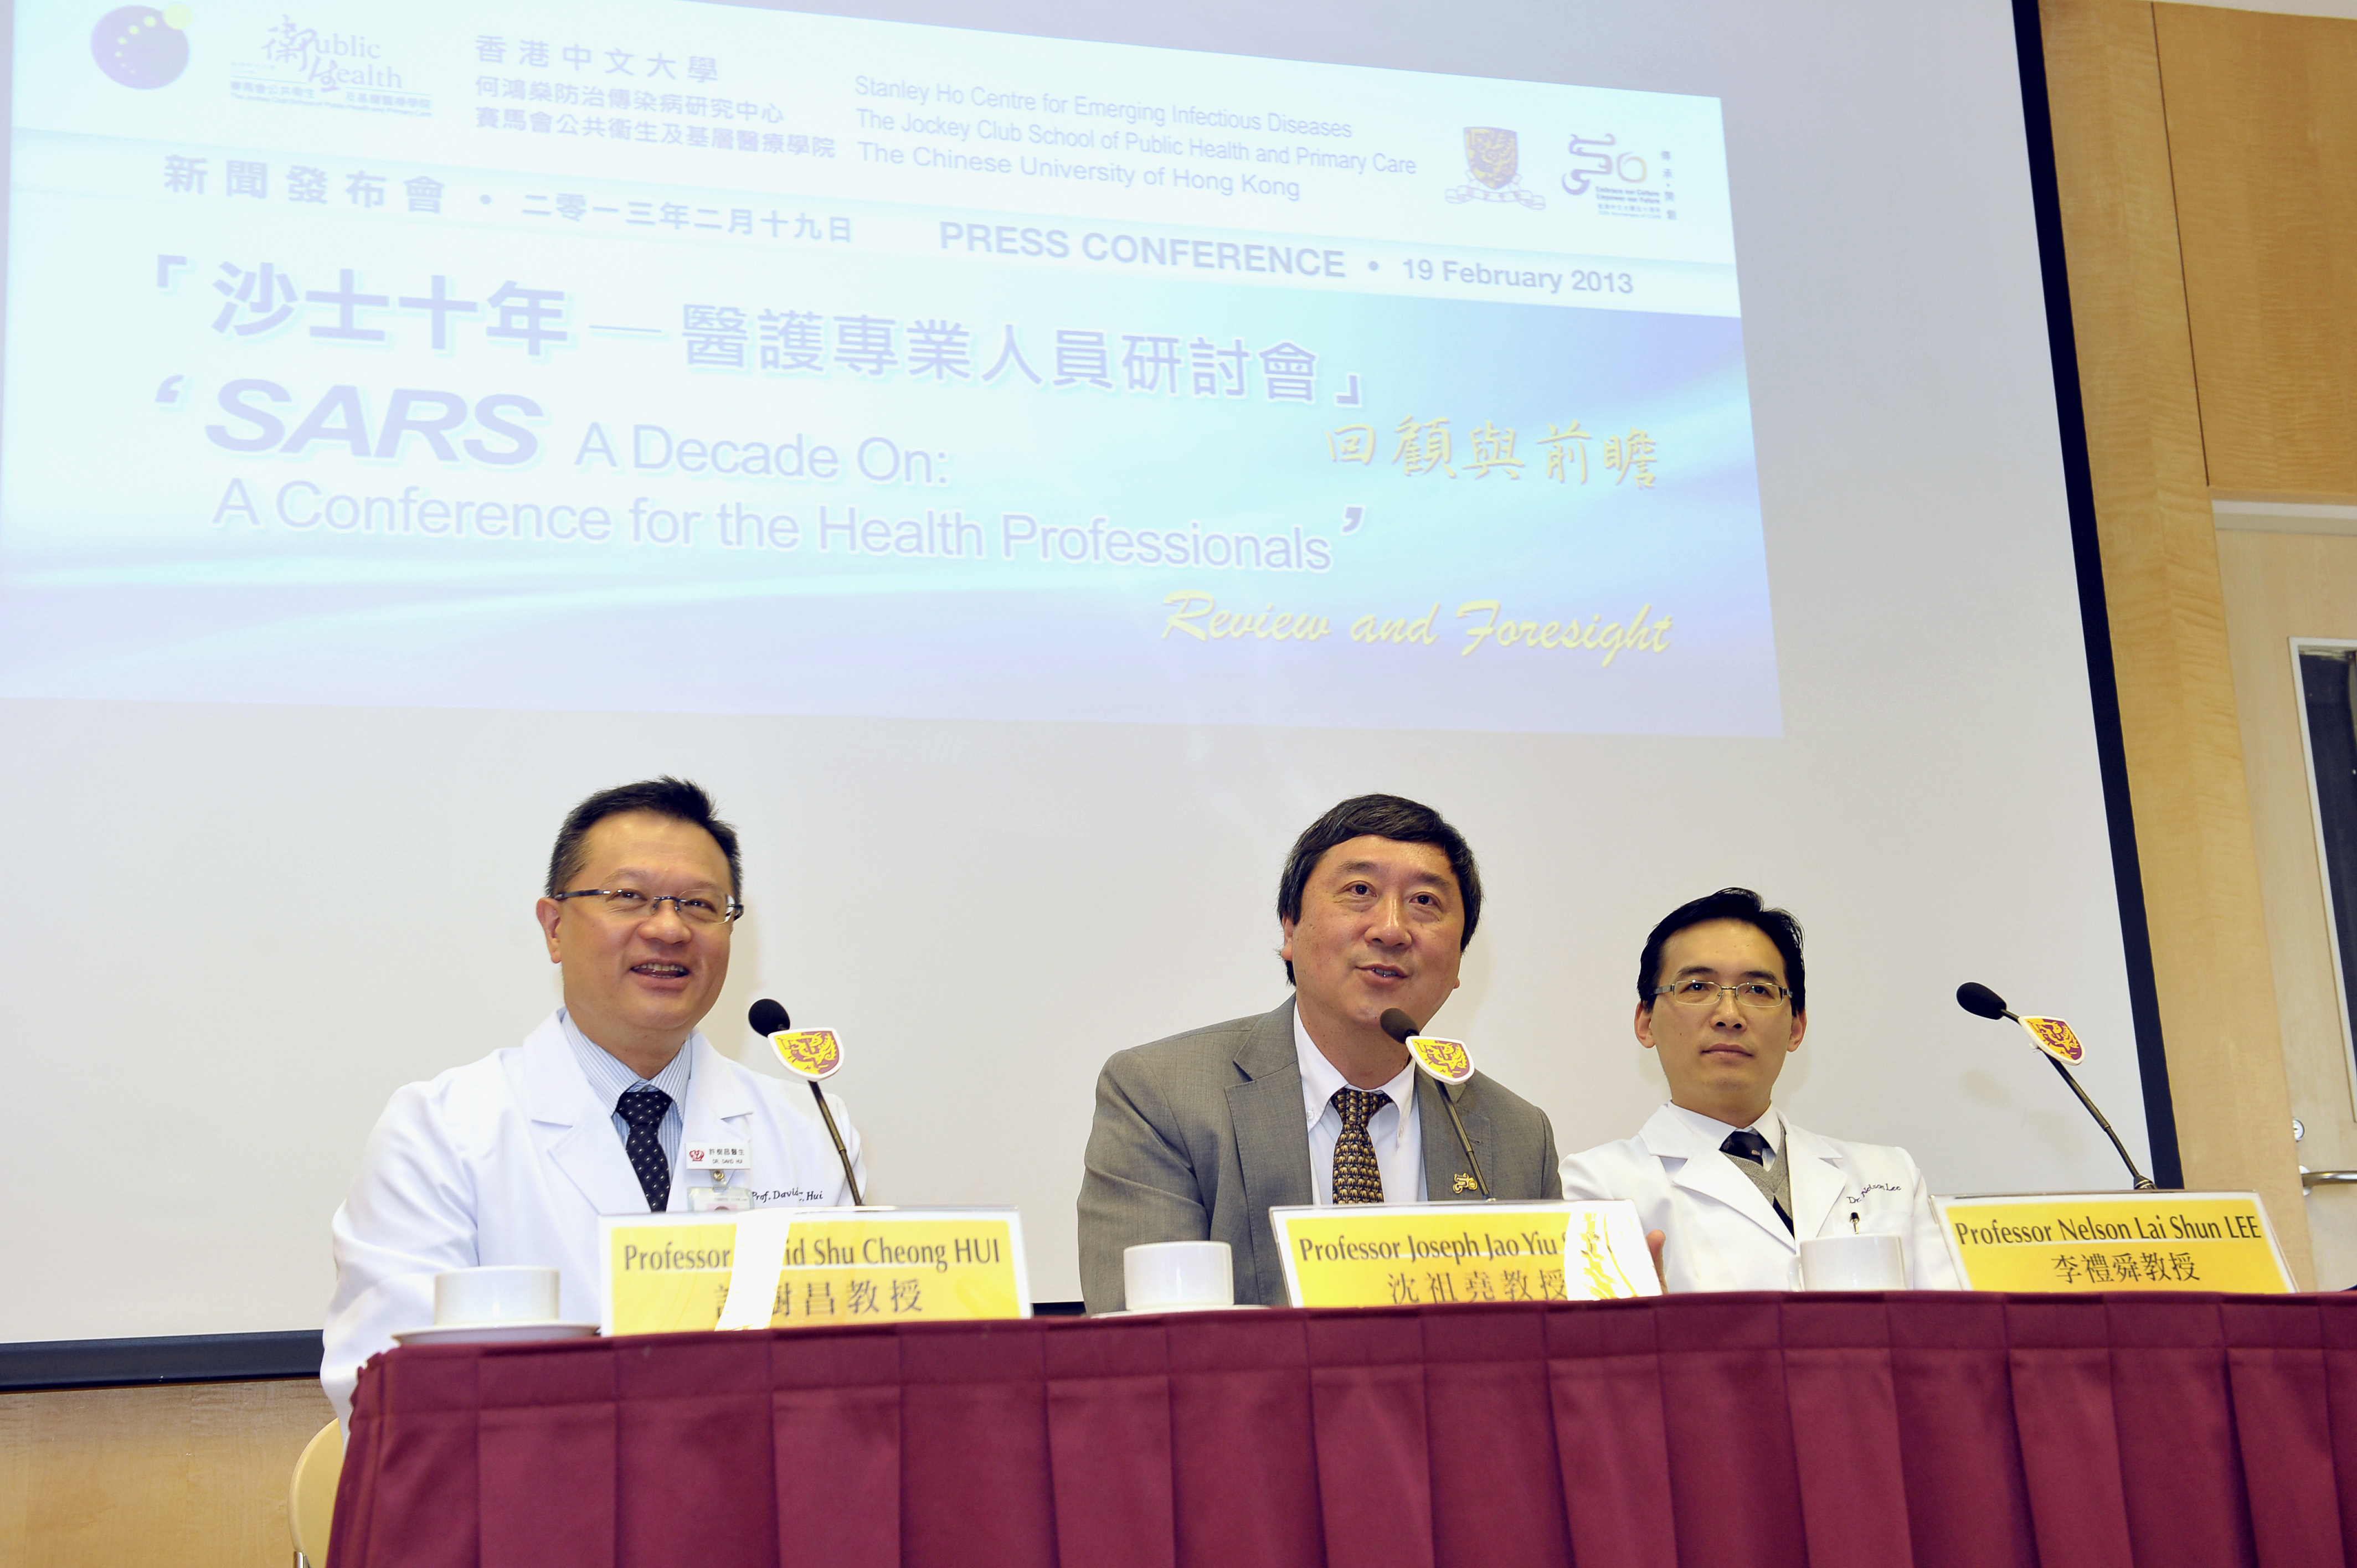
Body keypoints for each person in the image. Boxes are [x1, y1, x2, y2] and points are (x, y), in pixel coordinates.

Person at [322, 778, 866, 1420]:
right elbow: (387, 1387)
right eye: (627, 897)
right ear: (554, 928)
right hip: (536, 1507)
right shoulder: (441, 1130)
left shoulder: (806, 1129)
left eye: (699, 904)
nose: (668, 928)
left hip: (755, 1504)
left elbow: (846, 1374)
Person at [1078, 794, 1561, 1313]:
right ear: (1290, 929)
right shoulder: (1162, 1096)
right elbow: (1150, 1351)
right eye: (1360, 891)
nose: (1392, 929)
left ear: (1460, 959)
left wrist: (1611, 1320)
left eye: (1425, 902)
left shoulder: (1516, 1136)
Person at [1559, 888, 1961, 1292]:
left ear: (1797, 1026)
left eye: (1758, 990)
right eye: (1697, 987)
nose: (1729, 1016)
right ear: (1646, 1021)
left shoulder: (1892, 1176)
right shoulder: (1597, 1186)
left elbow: (1949, 1335)